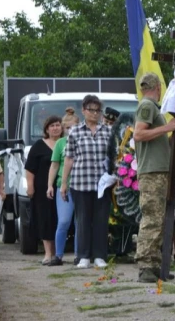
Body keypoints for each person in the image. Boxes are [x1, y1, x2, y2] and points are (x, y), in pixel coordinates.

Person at [133, 72, 175, 283]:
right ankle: (146, 265)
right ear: (158, 87)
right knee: (152, 219)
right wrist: (168, 127)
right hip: (152, 172)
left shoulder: (153, 108)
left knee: (158, 219)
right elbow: (139, 134)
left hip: (158, 171)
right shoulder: (147, 106)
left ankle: (154, 265)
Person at [61, 95, 112, 269]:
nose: (95, 113)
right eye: (91, 110)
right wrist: (63, 183)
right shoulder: (75, 131)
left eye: (98, 110)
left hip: (103, 184)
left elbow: (112, 157)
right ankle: (83, 256)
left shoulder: (107, 131)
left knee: (101, 220)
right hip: (81, 182)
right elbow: (69, 158)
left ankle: (99, 255)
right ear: (83, 111)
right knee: (82, 220)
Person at [25, 116, 63, 264]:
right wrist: (30, 186)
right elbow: (29, 168)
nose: (55, 128)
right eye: (52, 125)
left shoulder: (66, 144)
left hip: (61, 188)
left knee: (59, 220)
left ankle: (57, 253)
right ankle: (48, 253)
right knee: (45, 219)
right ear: (47, 129)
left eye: (58, 125)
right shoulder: (38, 146)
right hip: (42, 189)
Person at [46, 108, 80, 266]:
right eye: (67, 128)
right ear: (63, 129)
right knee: (64, 221)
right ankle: (58, 255)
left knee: (80, 222)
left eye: (73, 127)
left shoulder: (84, 140)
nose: (70, 130)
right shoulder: (60, 143)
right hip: (63, 186)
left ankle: (79, 255)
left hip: (81, 186)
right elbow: (54, 166)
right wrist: (49, 186)